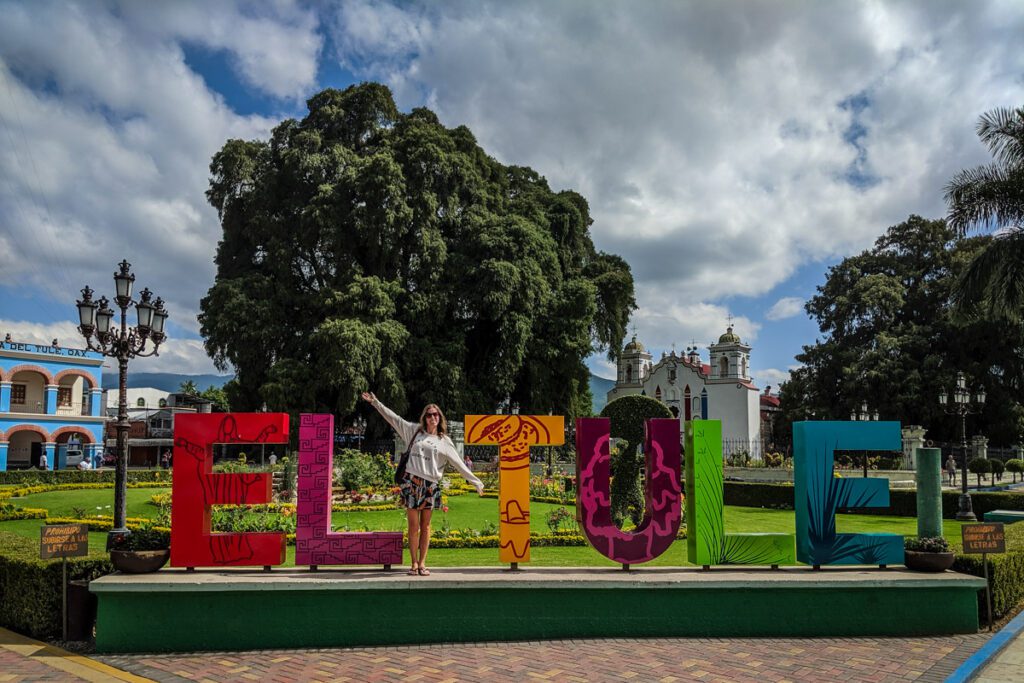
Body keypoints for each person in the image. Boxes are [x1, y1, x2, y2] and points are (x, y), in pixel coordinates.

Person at [362, 391, 484, 576]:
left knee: (426, 526)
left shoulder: (444, 441)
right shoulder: (414, 431)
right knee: (413, 526)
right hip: (412, 482)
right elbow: (394, 418)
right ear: (425, 418)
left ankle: (423, 563)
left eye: (436, 414)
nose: (433, 417)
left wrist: (476, 482)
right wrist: (376, 403)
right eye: (429, 414)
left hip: (430, 485)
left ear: (439, 418)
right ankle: (413, 563)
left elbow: (459, 463)